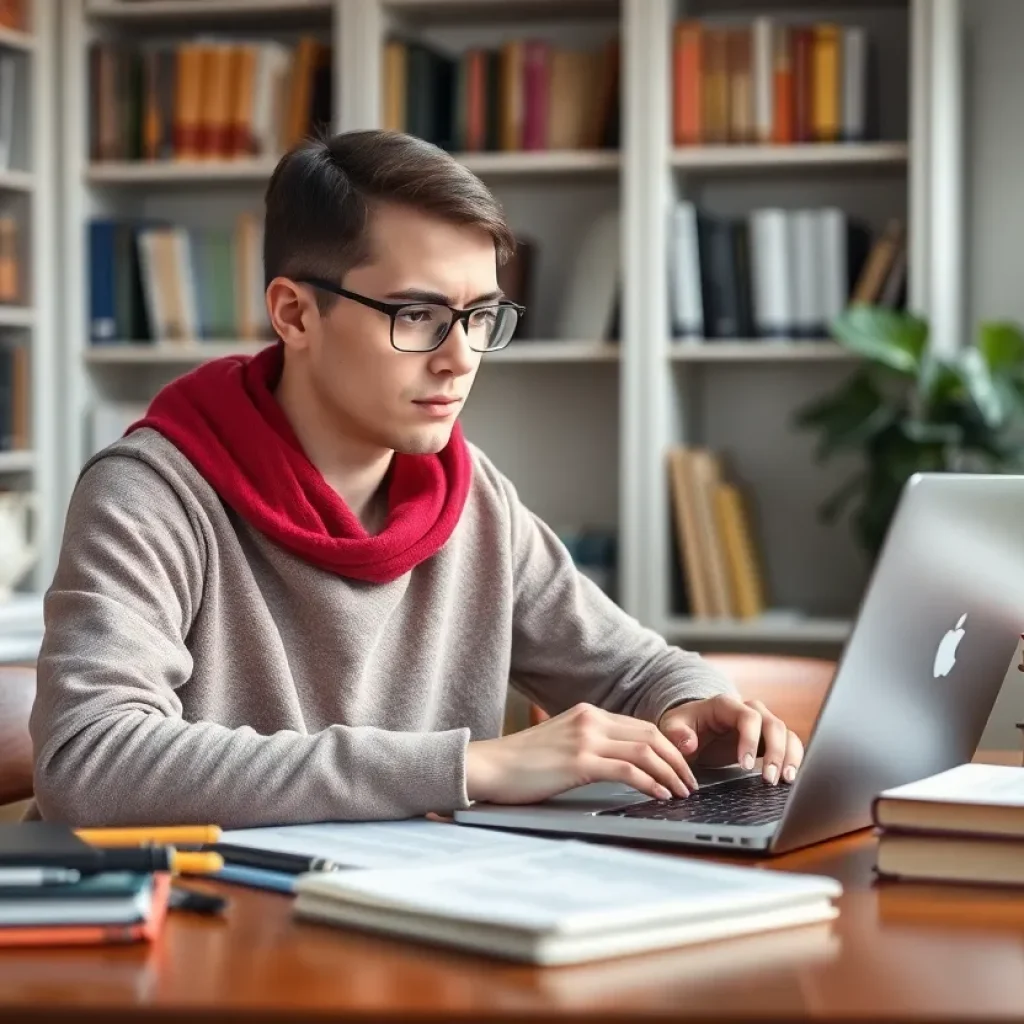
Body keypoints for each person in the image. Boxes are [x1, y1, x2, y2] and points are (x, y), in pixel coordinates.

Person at [29, 130, 804, 829]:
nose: (460, 356)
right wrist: (467, 767)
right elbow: (91, 761)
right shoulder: (150, 495)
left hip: (415, 920)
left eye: (479, 317)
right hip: (222, 937)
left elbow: (631, 668)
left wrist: (696, 706)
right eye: (418, 316)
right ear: (295, 314)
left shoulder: (469, 497)